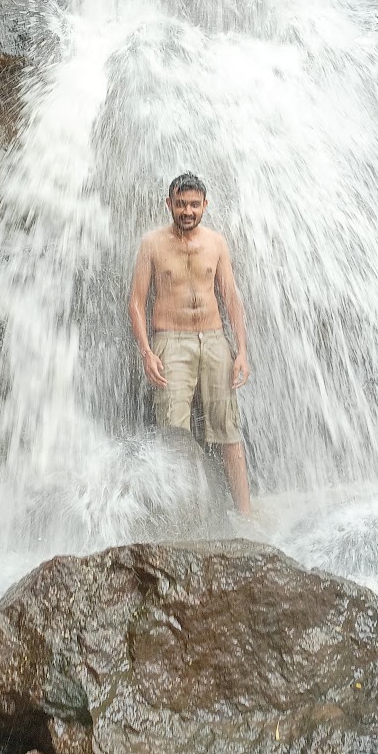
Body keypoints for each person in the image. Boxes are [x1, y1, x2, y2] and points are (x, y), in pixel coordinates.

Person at [129, 172, 252, 514]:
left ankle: (245, 513)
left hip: (215, 341)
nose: (187, 211)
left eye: (194, 204)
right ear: (169, 203)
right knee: (173, 434)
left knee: (229, 430)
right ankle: (180, 518)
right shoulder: (151, 244)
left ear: (205, 205)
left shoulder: (216, 243)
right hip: (170, 340)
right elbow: (135, 303)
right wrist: (147, 352)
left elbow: (231, 298)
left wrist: (241, 350)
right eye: (181, 204)